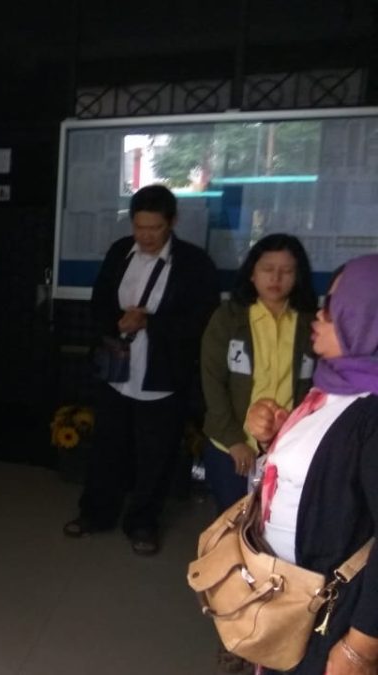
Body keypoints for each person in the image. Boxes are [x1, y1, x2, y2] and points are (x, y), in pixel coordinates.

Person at [63, 185, 219, 556]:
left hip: (163, 378)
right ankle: (96, 513)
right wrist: (118, 321)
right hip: (117, 371)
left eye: (155, 228)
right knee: (107, 448)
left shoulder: (194, 263)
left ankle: (143, 522)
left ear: (172, 222)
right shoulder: (120, 252)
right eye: (139, 227)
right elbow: (100, 302)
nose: (146, 236)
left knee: (156, 456)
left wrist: (150, 322)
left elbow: (202, 320)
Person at [245, 255, 378, 675]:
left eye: (335, 307)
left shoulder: (372, 411)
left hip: (331, 616)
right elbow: (325, 476)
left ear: (365, 319)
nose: (320, 313)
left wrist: (361, 648)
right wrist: (273, 438)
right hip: (288, 598)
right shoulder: (333, 384)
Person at [201, 234, 318, 515]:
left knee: (275, 521)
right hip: (231, 445)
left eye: (287, 271)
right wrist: (234, 440)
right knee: (232, 521)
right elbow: (213, 382)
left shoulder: (309, 323)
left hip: (286, 447)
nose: (276, 278)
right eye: (267, 269)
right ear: (252, 273)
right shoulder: (229, 318)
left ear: (298, 276)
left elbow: (314, 388)